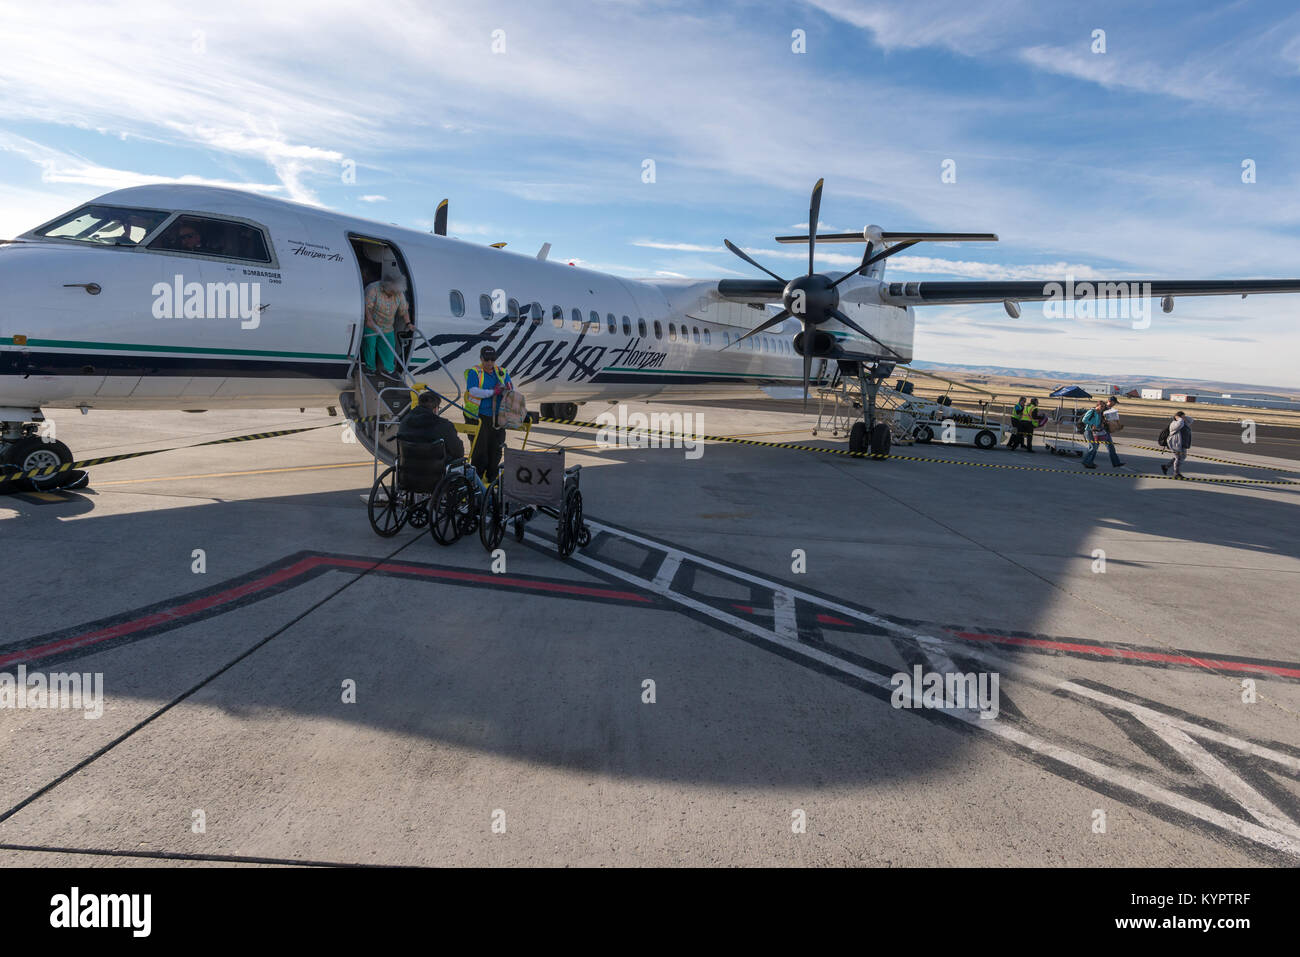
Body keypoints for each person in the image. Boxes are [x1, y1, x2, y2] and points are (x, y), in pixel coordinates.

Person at [464, 345, 513, 482]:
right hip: (479, 417)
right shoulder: (475, 372)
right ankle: (477, 480)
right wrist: (493, 392)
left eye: (492, 360)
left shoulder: (502, 372)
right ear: (481, 359)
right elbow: (473, 391)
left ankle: (491, 479)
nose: (490, 363)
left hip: (498, 418)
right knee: (480, 451)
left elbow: (510, 388)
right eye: (487, 360)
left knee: (496, 451)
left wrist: (507, 389)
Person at [362, 274, 409, 376]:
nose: (394, 294)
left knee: (388, 349)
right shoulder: (374, 289)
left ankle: (389, 371)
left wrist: (408, 323)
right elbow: (367, 307)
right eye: (392, 292)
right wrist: (369, 321)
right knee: (370, 346)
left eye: (396, 292)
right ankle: (370, 369)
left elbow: (404, 310)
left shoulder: (398, 293)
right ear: (385, 287)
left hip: (388, 327)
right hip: (372, 325)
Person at [398, 390, 464, 460]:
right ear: (435, 409)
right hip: (437, 469)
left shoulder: (404, 423)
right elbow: (458, 452)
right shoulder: (444, 425)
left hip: (408, 468)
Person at [1161, 411, 1192, 479]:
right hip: (1175, 444)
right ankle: (1176, 473)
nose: (1184, 418)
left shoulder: (1184, 422)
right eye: (1182, 417)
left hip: (1182, 444)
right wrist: (1178, 418)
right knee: (1179, 458)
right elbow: (1179, 424)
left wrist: (1184, 417)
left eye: (1184, 417)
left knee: (1182, 457)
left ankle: (1166, 467)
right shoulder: (1174, 423)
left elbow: (1191, 420)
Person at [1097, 397, 1127, 468]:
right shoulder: (1103, 408)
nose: (1115, 404)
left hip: (1105, 431)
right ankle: (1087, 461)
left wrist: (1116, 426)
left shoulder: (1110, 410)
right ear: (1110, 401)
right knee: (1094, 447)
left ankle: (1116, 463)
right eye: (1115, 402)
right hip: (1100, 431)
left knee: (1110, 447)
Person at [1080, 400, 1107, 469]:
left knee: (1092, 448)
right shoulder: (1092, 411)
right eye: (1101, 406)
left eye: (1103, 407)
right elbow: (1084, 420)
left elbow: (1097, 423)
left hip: (1095, 432)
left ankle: (1089, 462)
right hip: (1088, 431)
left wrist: (1101, 425)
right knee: (1093, 447)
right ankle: (1086, 461)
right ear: (1097, 405)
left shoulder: (1099, 413)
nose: (1102, 408)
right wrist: (1092, 424)